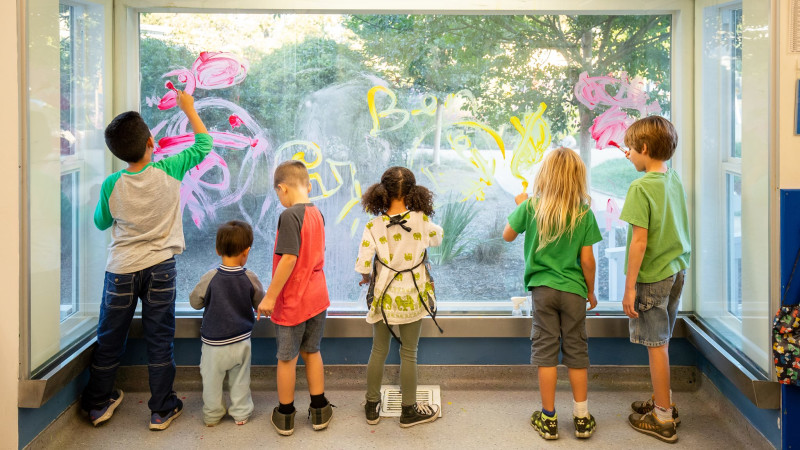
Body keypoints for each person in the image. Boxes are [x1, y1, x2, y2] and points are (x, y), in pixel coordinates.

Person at [81, 91, 212, 430]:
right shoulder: (169, 169)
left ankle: (98, 404)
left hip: (121, 269)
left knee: (110, 337)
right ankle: (161, 409)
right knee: (159, 338)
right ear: (151, 141)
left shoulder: (112, 183)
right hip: (161, 269)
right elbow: (203, 145)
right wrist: (189, 108)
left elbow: (101, 222)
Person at [503, 147, 602, 440]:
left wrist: (520, 205)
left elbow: (507, 234)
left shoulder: (532, 206)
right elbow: (587, 260)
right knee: (576, 352)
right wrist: (591, 291)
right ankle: (582, 418)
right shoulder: (584, 212)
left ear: (544, 175)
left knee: (546, 354)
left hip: (543, 292)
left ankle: (548, 419)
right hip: (574, 292)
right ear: (577, 179)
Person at [355, 166, 443, 428]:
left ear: (381, 193)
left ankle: (372, 406)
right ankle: (408, 411)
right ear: (415, 193)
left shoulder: (373, 225)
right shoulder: (421, 221)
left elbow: (362, 264)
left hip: (384, 297)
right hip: (412, 297)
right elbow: (438, 238)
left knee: (378, 350)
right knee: (409, 353)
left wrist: (366, 275)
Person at [620, 116, 690, 443]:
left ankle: (662, 417)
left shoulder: (640, 188)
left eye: (630, 149)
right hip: (677, 270)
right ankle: (665, 400)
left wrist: (629, 286)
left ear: (644, 149)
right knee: (662, 340)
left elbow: (639, 242)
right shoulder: (672, 177)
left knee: (656, 345)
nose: (626, 153)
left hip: (653, 277)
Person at [257, 160, 332, 436]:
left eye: (278, 193)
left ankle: (286, 415)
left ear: (282, 188)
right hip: (317, 296)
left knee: (287, 358)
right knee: (312, 351)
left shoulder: (289, 216)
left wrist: (269, 297)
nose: (280, 198)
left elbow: (289, 259)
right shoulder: (317, 213)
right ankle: (320, 409)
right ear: (308, 185)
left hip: (293, 299)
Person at [190, 220, 264, 427]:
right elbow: (261, 302)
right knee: (240, 380)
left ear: (217, 249)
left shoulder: (210, 277)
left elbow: (194, 302)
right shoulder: (250, 277)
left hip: (214, 345)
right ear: (246, 251)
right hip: (241, 341)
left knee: (211, 382)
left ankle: (212, 415)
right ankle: (240, 414)